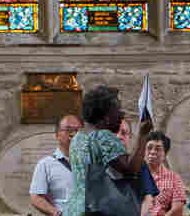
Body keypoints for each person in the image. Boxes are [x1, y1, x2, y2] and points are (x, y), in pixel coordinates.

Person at [64, 85, 152, 216]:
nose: (122, 114)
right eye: (118, 109)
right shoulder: (102, 136)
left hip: (75, 209)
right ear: (105, 115)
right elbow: (130, 169)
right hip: (98, 210)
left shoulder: (78, 138)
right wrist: (143, 134)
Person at [32, 115, 82, 216]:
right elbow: (36, 197)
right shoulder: (45, 164)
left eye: (77, 130)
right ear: (57, 135)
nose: (73, 134)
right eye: (68, 130)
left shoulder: (90, 162)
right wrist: (57, 213)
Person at [115, 119, 160, 207]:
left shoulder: (141, 164)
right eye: (115, 132)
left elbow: (149, 199)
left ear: (129, 137)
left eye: (124, 133)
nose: (119, 136)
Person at [143, 131, 188, 216]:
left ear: (165, 154)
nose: (152, 152)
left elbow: (177, 209)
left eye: (158, 149)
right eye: (149, 148)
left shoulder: (174, 178)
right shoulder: (135, 175)